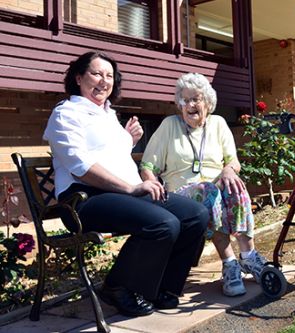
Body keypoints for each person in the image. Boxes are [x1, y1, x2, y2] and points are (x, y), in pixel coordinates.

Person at [43, 51, 209, 317]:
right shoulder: (66, 113)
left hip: (120, 193)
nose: (103, 81)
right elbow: (81, 167)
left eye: (109, 76)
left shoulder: (108, 114)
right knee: (163, 223)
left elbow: (109, 155)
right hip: (82, 200)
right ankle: (118, 287)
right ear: (78, 77)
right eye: (96, 73)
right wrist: (132, 188)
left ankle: (162, 288)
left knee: (195, 214)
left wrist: (127, 141)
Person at [140, 73, 266, 297]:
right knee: (207, 192)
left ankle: (248, 257)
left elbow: (233, 161)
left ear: (207, 102)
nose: (190, 105)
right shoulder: (169, 125)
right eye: (185, 100)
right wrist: (151, 184)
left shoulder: (218, 124)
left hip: (216, 189)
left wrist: (228, 170)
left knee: (235, 186)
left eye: (195, 99)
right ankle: (229, 264)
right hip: (181, 196)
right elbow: (148, 165)